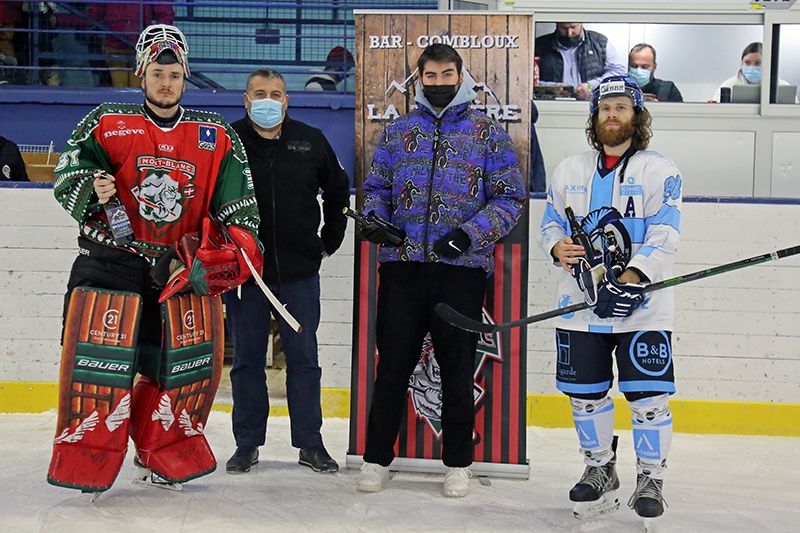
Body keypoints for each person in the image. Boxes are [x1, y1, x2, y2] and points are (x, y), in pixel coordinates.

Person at [47, 24, 261, 492]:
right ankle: (90, 461)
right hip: (112, 259)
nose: (167, 83)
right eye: (158, 73)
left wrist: (228, 254)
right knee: (99, 365)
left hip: (177, 268)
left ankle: (161, 453)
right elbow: (68, 170)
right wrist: (91, 186)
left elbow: (240, 209)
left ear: (186, 79)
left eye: (176, 74)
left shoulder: (217, 134)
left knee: (179, 369)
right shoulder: (107, 119)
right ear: (141, 75)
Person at [357, 43, 526, 497]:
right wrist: (380, 225)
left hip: (460, 271)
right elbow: (375, 189)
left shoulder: (487, 133)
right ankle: (375, 460)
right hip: (402, 270)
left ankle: (458, 464)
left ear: (460, 75)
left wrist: (469, 235)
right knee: (392, 367)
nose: (438, 83)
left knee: (455, 369)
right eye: (429, 77)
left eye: (446, 74)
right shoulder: (398, 133)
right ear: (419, 80)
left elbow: (510, 198)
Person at [537, 75, 681, 524]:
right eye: (605, 108)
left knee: (649, 397)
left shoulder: (660, 170)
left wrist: (634, 276)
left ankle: (651, 476)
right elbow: (549, 225)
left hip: (645, 310)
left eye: (622, 107)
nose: (612, 115)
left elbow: (665, 232)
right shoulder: (569, 170)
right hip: (580, 309)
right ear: (594, 117)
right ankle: (600, 468)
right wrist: (557, 247)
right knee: (585, 397)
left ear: (637, 116)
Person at [223, 67, 350, 475]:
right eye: (259, 93)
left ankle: (310, 444)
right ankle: (246, 444)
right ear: (246, 100)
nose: (267, 100)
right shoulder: (228, 142)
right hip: (244, 275)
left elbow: (336, 190)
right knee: (245, 362)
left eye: (275, 93)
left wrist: (328, 242)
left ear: (286, 100)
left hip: (298, 274)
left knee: (304, 360)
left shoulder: (310, 140)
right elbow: (205, 195)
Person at [88, 1, 175, 88]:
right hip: (119, 47)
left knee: (128, 89)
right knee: (129, 90)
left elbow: (166, 14)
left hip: (130, 47)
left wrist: (152, 35)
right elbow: (94, 13)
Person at [535, 23, 627, 101]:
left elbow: (619, 72)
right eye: (564, 28)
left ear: (581, 23)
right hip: (549, 107)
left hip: (593, 107)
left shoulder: (600, 42)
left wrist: (591, 86)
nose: (569, 33)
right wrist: (551, 88)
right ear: (557, 25)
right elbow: (526, 79)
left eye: (573, 27)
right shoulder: (539, 45)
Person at [712, 42, 795, 102]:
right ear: (742, 63)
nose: (752, 67)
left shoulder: (782, 87)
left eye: (758, 63)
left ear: (769, 63)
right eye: (747, 63)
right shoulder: (729, 86)